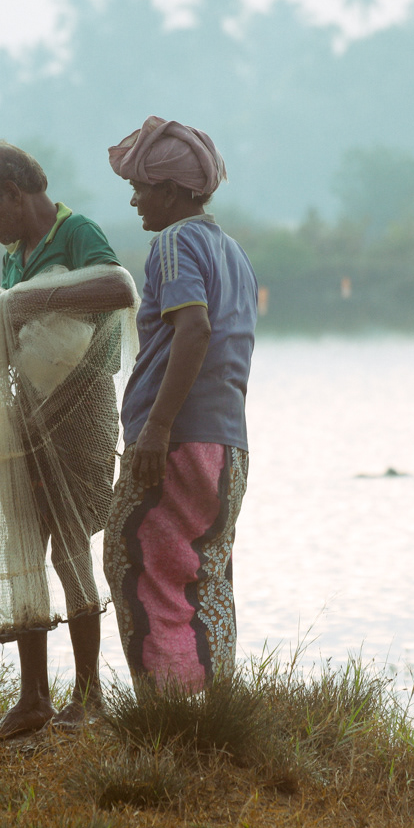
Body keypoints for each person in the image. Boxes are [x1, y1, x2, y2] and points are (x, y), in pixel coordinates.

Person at [0, 140, 136, 740]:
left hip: (80, 415)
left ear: (16, 191)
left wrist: (28, 299)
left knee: (69, 549)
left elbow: (116, 288)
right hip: (27, 417)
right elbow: (18, 332)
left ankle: (89, 696)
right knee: (23, 546)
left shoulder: (75, 231)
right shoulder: (15, 255)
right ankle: (33, 695)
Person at [103, 117, 256, 694]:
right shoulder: (232, 251)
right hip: (226, 446)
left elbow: (193, 331)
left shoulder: (174, 242)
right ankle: (213, 705)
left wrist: (157, 429)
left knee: (133, 559)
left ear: (170, 191)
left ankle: (167, 708)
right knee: (203, 573)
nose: (137, 201)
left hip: (178, 442)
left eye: (142, 188)